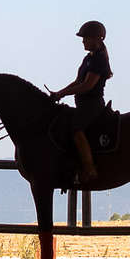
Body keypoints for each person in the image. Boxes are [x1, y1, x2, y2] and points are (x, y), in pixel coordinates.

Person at [50, 20, 111, 186]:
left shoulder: (99, 59)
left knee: (76, 129)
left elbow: (87, 86)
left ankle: (90, 168)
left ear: (96, 39)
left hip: (92, 104)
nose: (83, 41)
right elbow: (77, 81)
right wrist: (59, 93)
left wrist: (63, 93)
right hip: (82, 104)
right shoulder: (88, 59)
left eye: (86, 38)